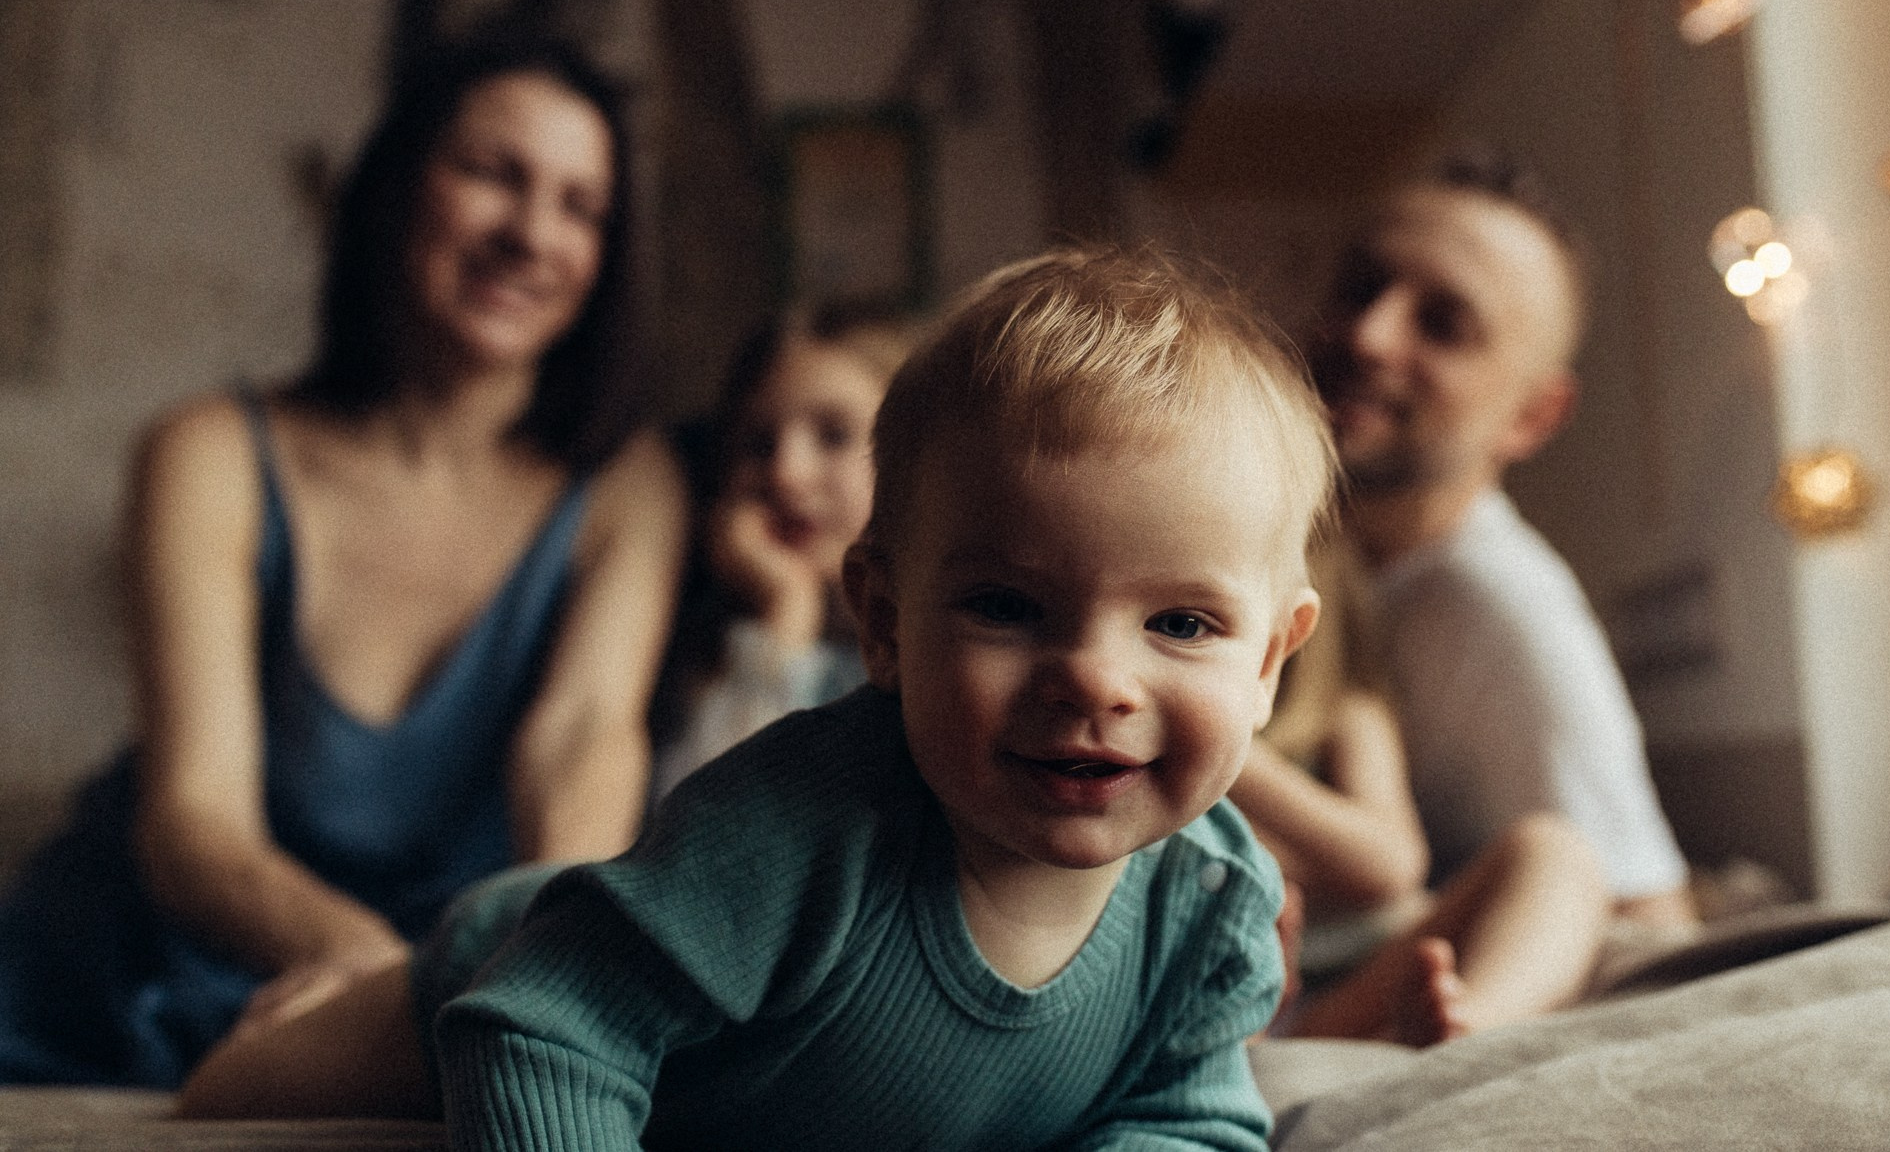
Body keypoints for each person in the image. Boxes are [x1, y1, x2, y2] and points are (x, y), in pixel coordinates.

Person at [412, 245, 1342, 1148]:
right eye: (1007, 607)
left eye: (1181, 623)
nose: (1097, 678)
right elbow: (544, 1029)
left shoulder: (1214, 905)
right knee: (300, 1057)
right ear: (886, 624)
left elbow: (1183, 1117)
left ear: (1268, 663)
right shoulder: (795, 828)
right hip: (519, 949)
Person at [0, 33, 686, 1088]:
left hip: (455, 989)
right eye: (492, 173)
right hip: (128, 983)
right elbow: (193, 816)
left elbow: (583, 750)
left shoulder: (628, 486)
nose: (530, 235)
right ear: (396, 189)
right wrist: (378, 970)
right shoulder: (208, 454)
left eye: (579, 205)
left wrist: (525, 978)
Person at [1304, 150, 1695, 926]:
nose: (1370, 336)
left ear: (1533, 417)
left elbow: (1649, 925)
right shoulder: (1287, 549)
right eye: (1361, 287)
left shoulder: (1506, 609)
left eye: (1444, 324)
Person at [1232, 535, 1608, 1042]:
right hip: (1266, 1005)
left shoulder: (1344, 714)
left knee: (1554, 849)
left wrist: (1237, 759)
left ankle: (1474, 1019)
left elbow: (1392, 865)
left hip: (1378, 969)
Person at [651, 301, 919, 797]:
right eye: (757, 445)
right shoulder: (698, 655)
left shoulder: (929, 662)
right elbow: (704, 838)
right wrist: (783, 613)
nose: (786, 473)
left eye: (834, 436)